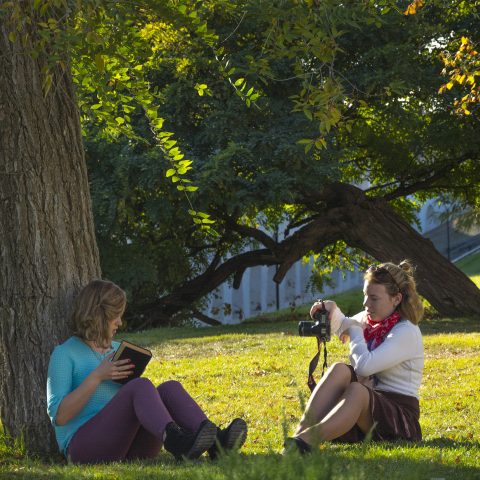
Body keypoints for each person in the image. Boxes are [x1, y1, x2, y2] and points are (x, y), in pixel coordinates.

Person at [47, 279, 247, 464]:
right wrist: (98, 376)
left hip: (129, 446)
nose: (120, 322)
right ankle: (176, 442)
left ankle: (217, 444)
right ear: (99, 315)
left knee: (169, 388)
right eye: (115, 316)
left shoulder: (118, 350)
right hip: (85, 447)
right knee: (139, 386)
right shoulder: (65, 354)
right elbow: (60, 417)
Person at [286, 260, 424, 453]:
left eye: (374, 298)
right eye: (365, 295)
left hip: (399, 417)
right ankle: (296, 440)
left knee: (357, 391)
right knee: (340, 369)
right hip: (367, 409)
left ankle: (306, 440)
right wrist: (331, 309)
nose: (366, 304)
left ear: (396, 298)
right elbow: (345, 324)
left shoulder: (406, 331)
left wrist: (355, 331)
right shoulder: (371, 320)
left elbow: (364, 366)